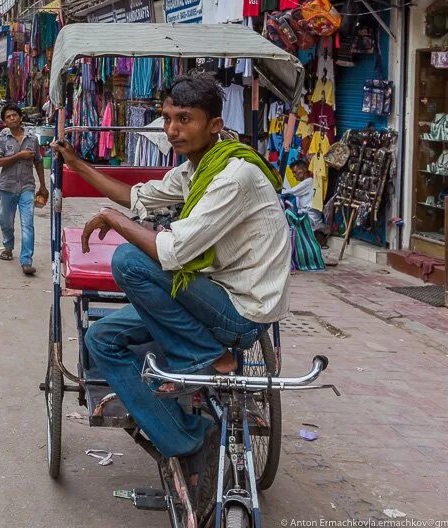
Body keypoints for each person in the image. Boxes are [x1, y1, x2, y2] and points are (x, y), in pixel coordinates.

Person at [50, 72, 289, 517]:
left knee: (130, 262)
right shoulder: (199, 168)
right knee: (101, 340)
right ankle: (184, 438)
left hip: (239, 310)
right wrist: (78, 165)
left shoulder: (232, 176)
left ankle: (206, 356)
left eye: (185, 119)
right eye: (167, 118)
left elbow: (172, 251)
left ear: (215, 125)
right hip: (215, 294)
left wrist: (113, 221)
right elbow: (142, 198)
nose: (173, 129)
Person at [0, 103, 48, 275]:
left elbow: (38, 161)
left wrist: (43, 186)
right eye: (8, 117)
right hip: (7, 187)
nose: (12, 118)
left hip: (27, 187)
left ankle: (26, 260)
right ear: (5, 122)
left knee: (27, 224)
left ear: (20, 117)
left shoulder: (32, 139)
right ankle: (8, 246)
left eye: (14, 115)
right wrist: (19, 156)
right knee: (6, 222)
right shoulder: (2, 139)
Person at [283, 158, 331, 249]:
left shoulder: (308, 182)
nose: (293, 175)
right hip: (308, 216)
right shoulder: (307, 183)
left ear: (303, 171)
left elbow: (290, 191)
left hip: (311, 218)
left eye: (295, 172)